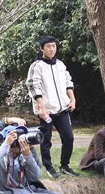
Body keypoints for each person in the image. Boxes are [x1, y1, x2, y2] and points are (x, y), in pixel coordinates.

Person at [26, 35, 80, 178]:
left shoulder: (61, 65)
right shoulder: (37, 66)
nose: (51, 49)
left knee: (68, 137)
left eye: (54, 46)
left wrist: (72, 99)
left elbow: (69, 82)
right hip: (47, 110)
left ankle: (65, 165)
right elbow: (33, 87)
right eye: (48, 46)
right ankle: (49, 167)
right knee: (46, 139)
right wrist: (42, 108)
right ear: (41, 48)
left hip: (62, 108)